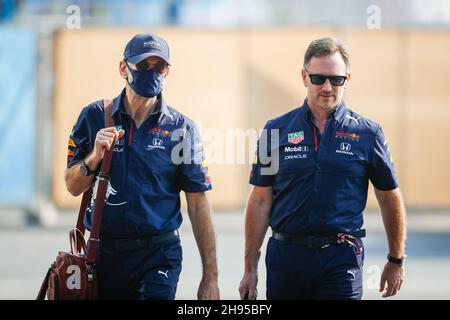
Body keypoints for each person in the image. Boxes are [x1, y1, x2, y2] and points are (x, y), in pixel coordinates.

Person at [239, 37, 406, 300]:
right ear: (304, 77)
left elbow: (388, 197)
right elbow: (260, 200)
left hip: (341, 257)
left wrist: (395, 259)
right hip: (286, 257)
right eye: (318, 78)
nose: (327, 87)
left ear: (347, 79)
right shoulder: (275, 130)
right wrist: (250, 268)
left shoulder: (368, 133)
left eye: (336, 79)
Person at [65, 33, 220, 300]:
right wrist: (94, 157)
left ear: (167, 71)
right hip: (104, 253)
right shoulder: (94, 116)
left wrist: (211, 276)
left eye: (159, 67)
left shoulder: (182, 128)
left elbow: (197, 202)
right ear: (123, 68)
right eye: (143, 66)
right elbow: (72, 186)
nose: (152, 72)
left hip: (159, 254)